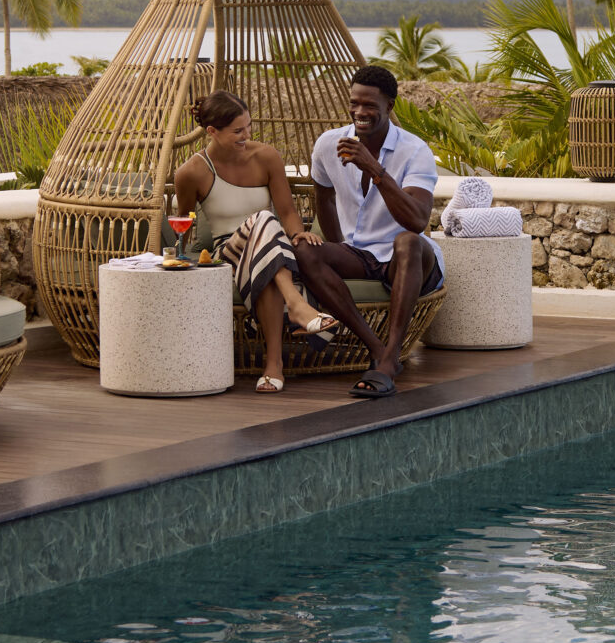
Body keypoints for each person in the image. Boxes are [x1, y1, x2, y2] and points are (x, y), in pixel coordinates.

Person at [170, 90, 338, 393]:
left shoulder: (266, 157)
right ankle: (297, 306)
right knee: (263, 219)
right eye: (238, 130)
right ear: (212, 132)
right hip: (227, 253)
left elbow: (286, 212)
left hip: (273, 249)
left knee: (267, 234)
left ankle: (274, 366)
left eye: (248, 125)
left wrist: (298, 233)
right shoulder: (191, 172)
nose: (247, 134)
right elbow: (183, 225)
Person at [297, 64, 444, 398]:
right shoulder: (328, 144)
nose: (359, 112)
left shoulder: (415, 151)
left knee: (407, 241)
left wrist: (375, 169)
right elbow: (324, 197)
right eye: (354, 103)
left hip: (406, 259)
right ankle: (378, 349)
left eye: (369, 106)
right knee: (304, 250)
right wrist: (337, 251)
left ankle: (389, 358)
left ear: (389, 107)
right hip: (359, 253)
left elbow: (418, 220)